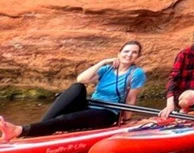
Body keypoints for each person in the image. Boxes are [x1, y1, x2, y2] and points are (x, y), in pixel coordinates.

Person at [0, 41, 146, 141]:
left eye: (134, 53)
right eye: (126, 51)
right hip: (90, 105)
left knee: (63, 120)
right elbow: (81, 79)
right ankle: (41, 128)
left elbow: (130, 99)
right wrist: (102, 62)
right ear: (119, 53)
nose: (129, 55)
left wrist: (126, 121)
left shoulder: (136, 73)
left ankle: (19, 130)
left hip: (107, 113)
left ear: (138, 56)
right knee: (77, 87)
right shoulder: (106, 68)